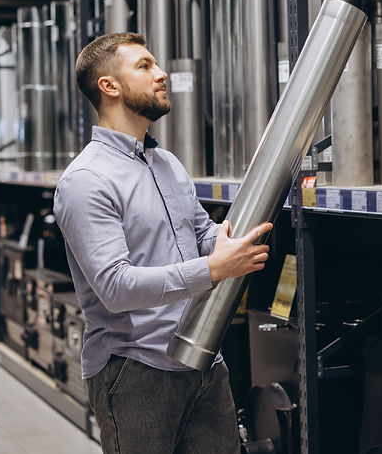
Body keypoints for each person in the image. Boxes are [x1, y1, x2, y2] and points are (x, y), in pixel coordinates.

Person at [54, 32, 272, 454]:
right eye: (145, 66)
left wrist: (233, 240)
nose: (162, 74)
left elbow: (200, 235)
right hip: (136, 371)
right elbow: (116, 288)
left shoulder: (166, 162)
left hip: (204, 359)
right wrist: (213, 270)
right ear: (109, 86)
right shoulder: (86, 182)